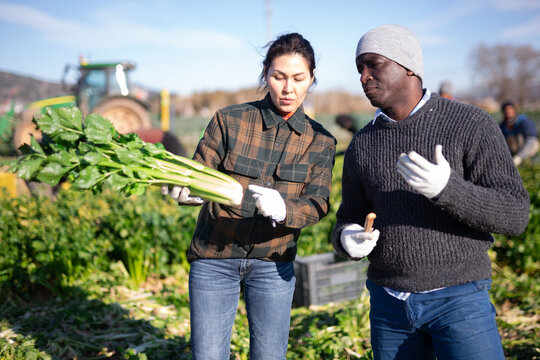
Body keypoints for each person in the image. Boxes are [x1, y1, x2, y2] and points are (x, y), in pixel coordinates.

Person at [331, 24, 530, 360]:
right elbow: (348, 217)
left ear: (409, 66)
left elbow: (515, 214)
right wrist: (346, 239)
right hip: (389, 306)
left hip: (460, 301)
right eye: (359, 69)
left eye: (373, 64)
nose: (363, 77)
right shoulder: (362, 145)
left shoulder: (470, 125)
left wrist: (447, 189)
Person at [162, 33, 336, 359]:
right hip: (215, 256)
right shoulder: (229, 121)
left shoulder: (320, 141)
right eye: (278, 77)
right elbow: (198, 173)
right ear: (265, 74)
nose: (288, 89)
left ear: (311, 79)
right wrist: (187, 193)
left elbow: (318, 202)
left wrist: (285, 210)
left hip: (273, 262)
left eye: (299, 79)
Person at [499, 100, 539, 166]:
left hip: (526, 150)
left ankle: (527, 160)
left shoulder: (523, 121)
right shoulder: (502, 125)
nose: (508, 111)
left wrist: (519, 157)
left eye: (510, 109)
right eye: (505, 109)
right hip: (512, 152)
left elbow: (531, 141)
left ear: (514, 110)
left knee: (533, 143)